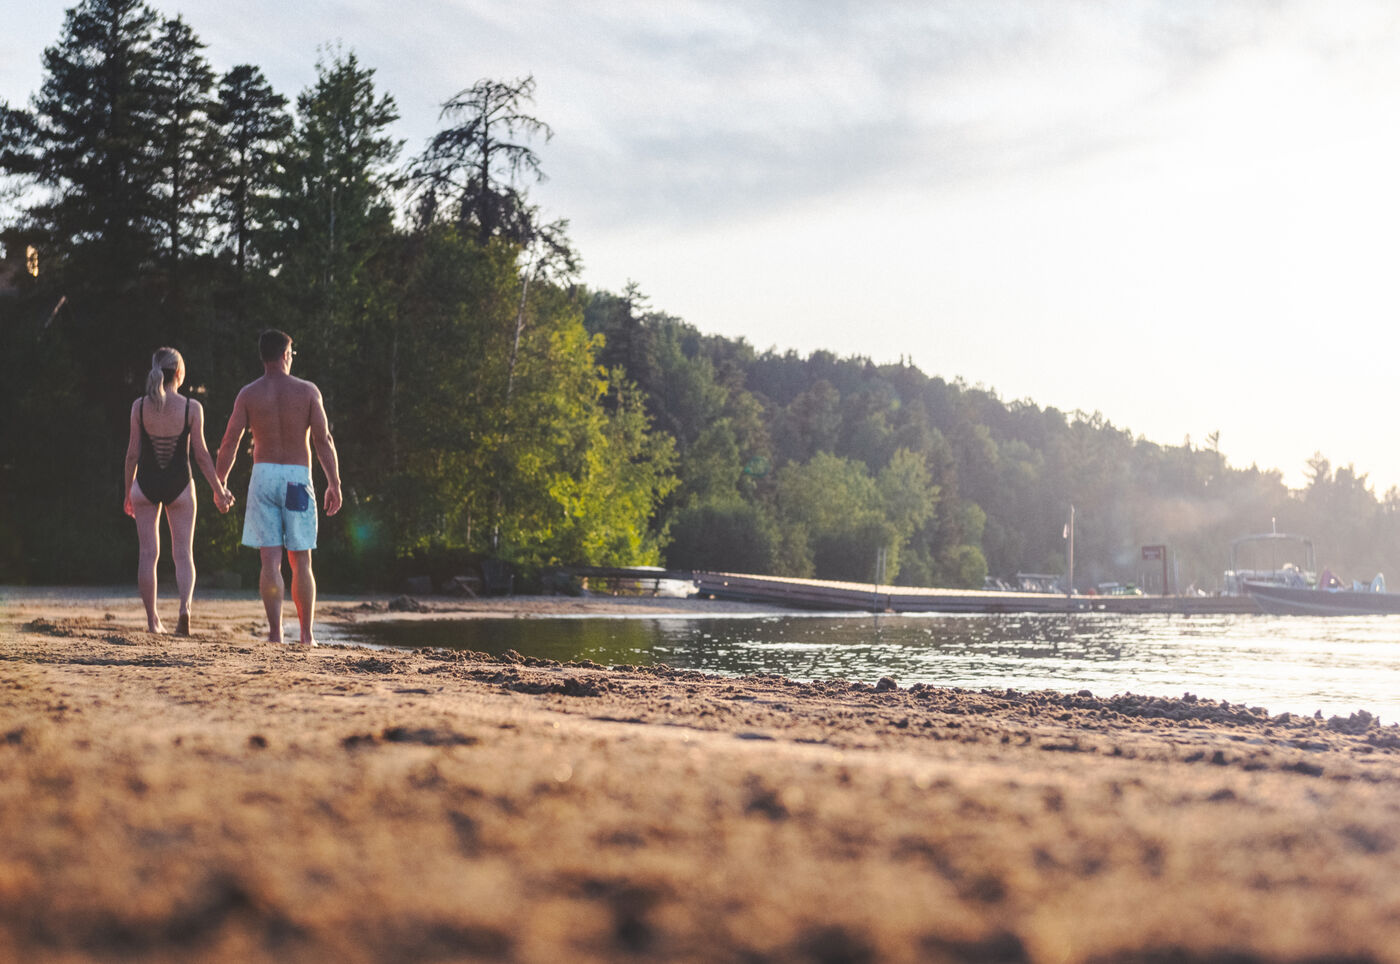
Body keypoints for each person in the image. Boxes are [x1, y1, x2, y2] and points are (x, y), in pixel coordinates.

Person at [217, 330, 342, 646]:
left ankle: (275, 633)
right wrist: (334, 482)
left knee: (270, 560)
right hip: (297, 478)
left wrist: (220, 484)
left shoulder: (248, 394)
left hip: (263, 476)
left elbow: (229, 442)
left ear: (263, 357)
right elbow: (323, 440)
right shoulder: (307, 391)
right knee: (301, 560)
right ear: (286, 354)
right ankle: (306, 635)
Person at [123, 347, 234, 635]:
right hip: (180, 485)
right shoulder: (191, 408)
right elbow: (202, 455)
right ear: (180, 373)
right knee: (183, 554)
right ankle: (184, 609)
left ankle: (153, 622)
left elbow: (132, 454)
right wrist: (219, 489)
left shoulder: (139, 407)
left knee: (148, 554)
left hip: (145, 484)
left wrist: (127, 492)